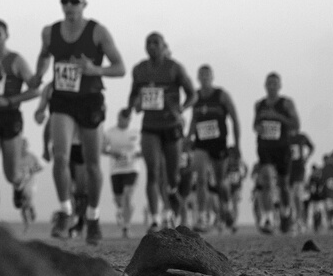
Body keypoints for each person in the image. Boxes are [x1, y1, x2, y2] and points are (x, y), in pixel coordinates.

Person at [34, 0, 128, 245]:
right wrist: (38, 75)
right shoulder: (49, 32)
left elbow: (120, 68)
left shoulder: (97, 31)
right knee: (60, 156)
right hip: (63, 99)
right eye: (64, 0)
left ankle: (93, 217)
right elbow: (43, 57)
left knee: (92, 163)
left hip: (90, 100)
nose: (69, 5)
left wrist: (93, 69)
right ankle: (65, 211)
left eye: (75, 1)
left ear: (85, 3)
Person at [129, 32, 196, 228]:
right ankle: (155, 217)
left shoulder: (175, 68)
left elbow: (193, 95)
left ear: (164, 46)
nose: (151, 46)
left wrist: (181, 109)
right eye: (147, 42)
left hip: (171, 127)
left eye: (155, 43)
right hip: (150, 127)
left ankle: (173, 194)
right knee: (153, 172)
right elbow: (133, 95)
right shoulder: (139, 69)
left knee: (173, 175)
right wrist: (133, 106)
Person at [0, 18, 42, 222]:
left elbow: (35, 90)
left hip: (10, 117)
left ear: (6, 36)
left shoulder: (15, 60)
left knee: (11, 174)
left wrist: (8, 101)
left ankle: (19, 183)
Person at [187, 64, 240, 231]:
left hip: (219, 143)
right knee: (201, 179)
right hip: (201, 144)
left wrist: (237, 145)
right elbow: (194, 119)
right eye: (201, 75)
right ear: (198, 78)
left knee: (220, 182)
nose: (204, 78)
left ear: (212, 77)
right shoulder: (195, 96)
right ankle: (202, 216)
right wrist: (188, 138)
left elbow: (234, 118)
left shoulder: (222, 95)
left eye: (207, 75)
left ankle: (227, 205)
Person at [251, 72, 301, 233]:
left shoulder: (286, 104)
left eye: (275, 83)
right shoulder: (259, 104)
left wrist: (277, 117)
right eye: (269, 83)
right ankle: (268, 218)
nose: (272, 86)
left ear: (279, 86)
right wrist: (258, 127)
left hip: (282, 148)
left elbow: (296, 125)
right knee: (266, 181)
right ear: (265, 85)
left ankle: (286, 212)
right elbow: (255, 125)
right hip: (265, 147)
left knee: (283, 185)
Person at [101, 108, 141, 235]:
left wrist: (134, 155)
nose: (122, 121)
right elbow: (102, 149)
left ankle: (126, 226)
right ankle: (121, 209)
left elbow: (145, 150)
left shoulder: (136, 133)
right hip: (116, 170)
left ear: (129, 119)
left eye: (125, 118)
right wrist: (113, 153)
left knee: (128, 195)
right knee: (119, 199)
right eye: (120, 118)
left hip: (132, 168)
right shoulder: (110, 133)